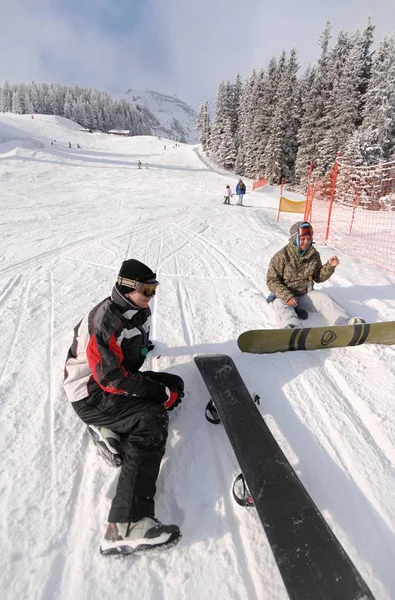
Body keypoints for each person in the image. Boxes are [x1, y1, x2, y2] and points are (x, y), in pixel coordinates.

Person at [64, 259, 183, 555]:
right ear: (127, 288)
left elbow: (136, 348)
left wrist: (161, 386)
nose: (152, 295)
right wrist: (157, 394)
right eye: (147, 289)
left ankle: (112, 430)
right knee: (153, 417)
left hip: (114, 380)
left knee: (176, 384)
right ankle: (125, 526)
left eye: (155, 288)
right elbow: (111, 378)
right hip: (91, 392)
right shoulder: (105, 320)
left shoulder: (140, 309)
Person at [266, 221, 365, 329]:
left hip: (304, 295)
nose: (306, 242)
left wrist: (329, 267)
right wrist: (287, 296)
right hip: (284, 297)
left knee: (324, 298)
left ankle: (346, 323)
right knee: (281, 306)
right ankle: (291, 327)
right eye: (302, 239)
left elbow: (318, 277)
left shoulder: (313, 255)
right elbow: (272, 280)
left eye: (309, 239)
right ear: (295, 239)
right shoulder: (281, 256)